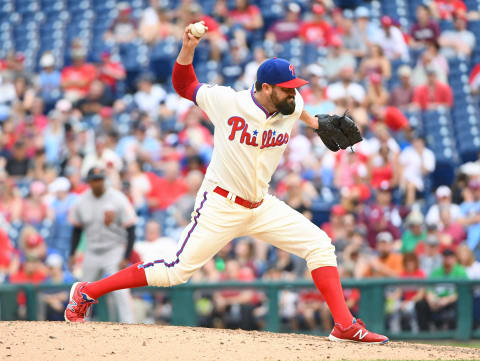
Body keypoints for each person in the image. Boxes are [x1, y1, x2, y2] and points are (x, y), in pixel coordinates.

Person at [65, 22, 388, 343]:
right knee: (175, 271)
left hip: (261, 205)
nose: (294, 92)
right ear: (265, 89)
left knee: (320, 246)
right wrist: (188, 48)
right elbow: (184, 85)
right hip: (220, 204)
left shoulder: (293, 104)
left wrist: (317, 123)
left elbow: (301, 111)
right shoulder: (228, 102)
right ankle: (87, 291)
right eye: (287, 87)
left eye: (295, 86)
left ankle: (344, 325)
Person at [68, 166, 137, 323]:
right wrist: (72, 253)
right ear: (89, 182)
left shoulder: (118, 198)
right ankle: (79, 324)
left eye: (99, 180)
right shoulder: (81, 201)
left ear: (104, 180)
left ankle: (130, 324)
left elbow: (131, 228)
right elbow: (76, 230)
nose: (97, 183)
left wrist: (126, 256)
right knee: (83, 289)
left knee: (121, 288)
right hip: (91, 250)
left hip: (114, 249)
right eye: (94, 180)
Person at [415, 248, 468, 330]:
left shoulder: (460, 271)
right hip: (437, 301)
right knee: (421, 304)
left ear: (454, 258)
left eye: (450, 257)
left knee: (460, 304)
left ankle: (455, 332)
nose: (447, 259)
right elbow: (428, 288)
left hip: (451, 301)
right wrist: (431, 299)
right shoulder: (436, 272)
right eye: (445, 257)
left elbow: (463, 292)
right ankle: (424, 333)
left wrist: (447, 300)